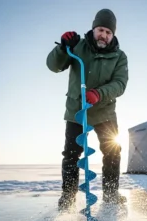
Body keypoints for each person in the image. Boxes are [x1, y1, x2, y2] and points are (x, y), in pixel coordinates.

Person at [46, 9, 129, 208]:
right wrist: (63, 47)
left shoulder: (119, 56)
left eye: (109, 32)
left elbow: (120, 84)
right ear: (93, 29)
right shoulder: (78, 46)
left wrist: (99, 93)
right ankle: (68, 196)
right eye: (101, 30)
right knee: (72, 154)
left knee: (112, 152)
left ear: (113, 35)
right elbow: (53, 66)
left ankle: (110, 194)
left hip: (104, 111)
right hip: (77, 110)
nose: (104, 35)